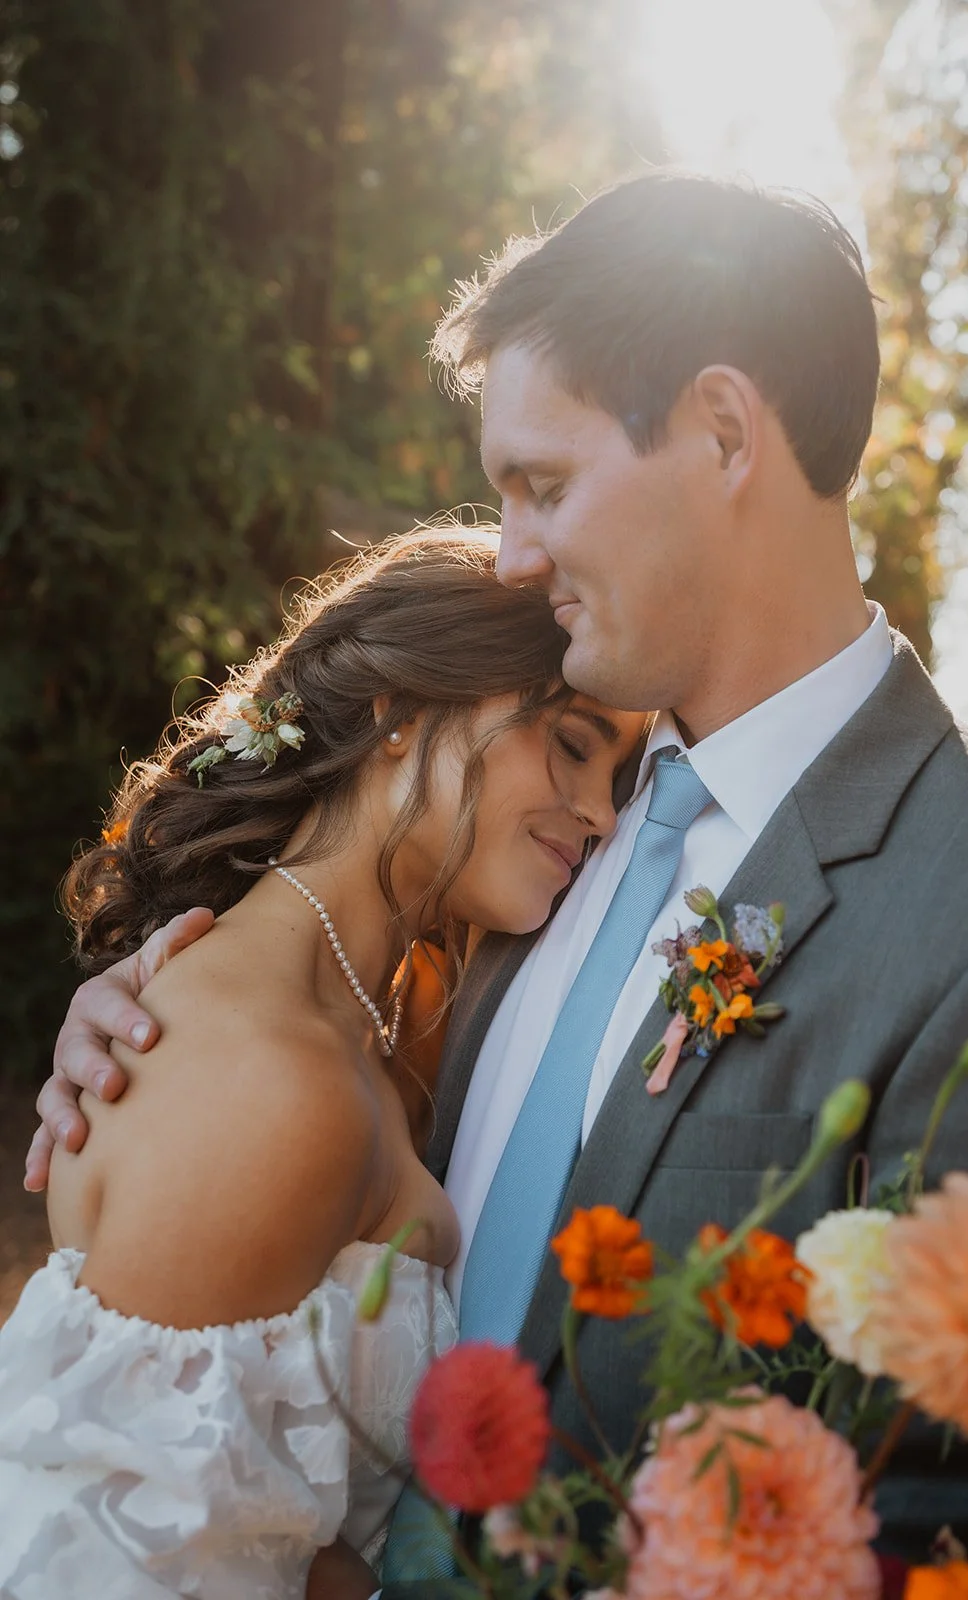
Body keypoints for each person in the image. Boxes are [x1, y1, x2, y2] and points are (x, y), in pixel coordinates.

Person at [29, 175, 968, 1583]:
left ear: (719, 429)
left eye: (542, 485)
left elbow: (951, 1535)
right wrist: (138, 1041)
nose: (513, 553)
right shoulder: (517, 855)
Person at [0, 527, 646, 1598]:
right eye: (571, 743)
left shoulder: (396, 1012)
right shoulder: (267, 1078)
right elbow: (138, 1562)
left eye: (618, 770)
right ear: (398, 714)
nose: (603, 810)